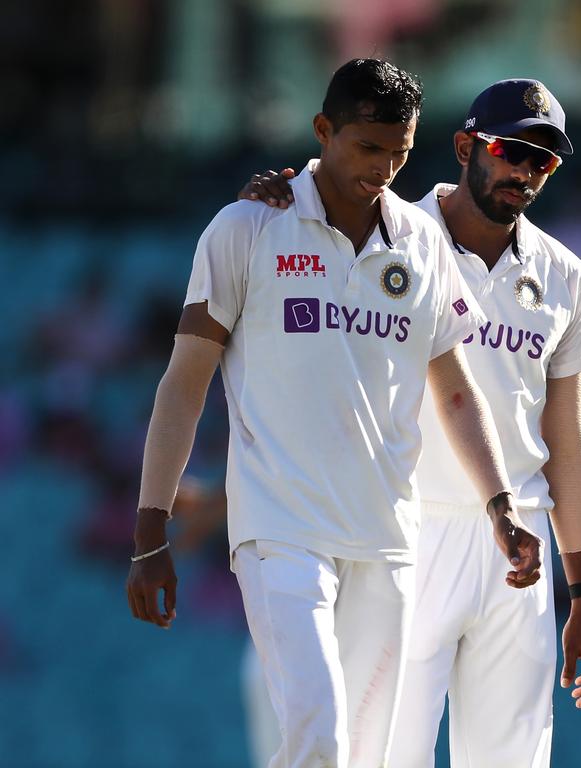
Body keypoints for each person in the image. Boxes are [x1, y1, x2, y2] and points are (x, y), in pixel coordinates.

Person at [126, 59, 544, 768]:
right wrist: (149, 528)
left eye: (401, 151)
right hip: (281, 532)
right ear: (324, 131)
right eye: (367, 147)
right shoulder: (248, 227)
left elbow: (454, 388)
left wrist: (500, 504)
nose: (383, 168)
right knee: (318, 733)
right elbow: (184, 383)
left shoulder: (421, 245)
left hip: (387, 538)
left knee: (363, 758)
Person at [239, 77, 581, 768]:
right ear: (467, 144)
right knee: (380, 755)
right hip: (404, 529)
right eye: (510, 150)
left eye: (543, 160)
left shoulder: (565, 276)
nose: (523, 171)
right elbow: (298, 246)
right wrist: (277, 199)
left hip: (517, 550)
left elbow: (568, 439)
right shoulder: (389, 228)